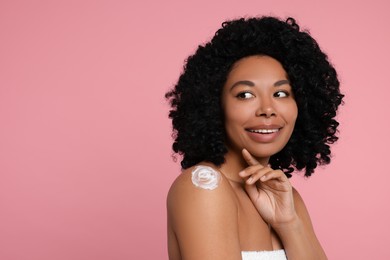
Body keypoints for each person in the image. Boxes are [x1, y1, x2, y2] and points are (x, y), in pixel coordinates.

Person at [165, 16, 343, 260]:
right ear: (215, 106)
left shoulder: (288, 199)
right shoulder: (204, 188)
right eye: (245, 94)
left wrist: (288, 223)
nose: (267, 109)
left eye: (281, 93)